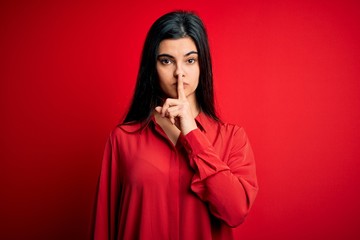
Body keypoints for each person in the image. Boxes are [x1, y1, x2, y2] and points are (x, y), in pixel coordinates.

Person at [92, 10, 258, 240]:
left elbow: (235, 211)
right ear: (153, 68)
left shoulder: (233, 138)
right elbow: (104, 226)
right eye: (167, 61)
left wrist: (192, 133)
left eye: (190, 60)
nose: (179, 72)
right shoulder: (123, 139)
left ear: (203, 66)